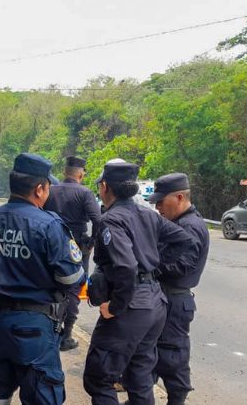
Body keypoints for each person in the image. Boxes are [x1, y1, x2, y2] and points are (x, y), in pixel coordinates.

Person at [0, 153, 85, 405]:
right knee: (43, 396)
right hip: (36, 329)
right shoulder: (49, 225)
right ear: (40, 189)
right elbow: (71, 278)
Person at [83, 162, 193, 405]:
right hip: (154, 305)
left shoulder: (111, 220)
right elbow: (183, 240)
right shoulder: (148, 215)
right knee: (139, 375)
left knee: (99, 378)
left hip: (130, 309)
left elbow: (125, 266)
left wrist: (115, 307)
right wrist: (152, 267)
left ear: (104, 187)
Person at [148, 173, 210, 405]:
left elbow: (182, 266)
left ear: (180, 197)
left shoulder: (190, 226)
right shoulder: (179, 222)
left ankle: (177, 399)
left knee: (172, 353)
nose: (158, 207)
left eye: (162, 202)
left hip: (174, 300)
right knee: (152, 350)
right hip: (165, 297)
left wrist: (150, 267)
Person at [43, 155, 102, 351]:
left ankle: (50, 329)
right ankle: (66, 334)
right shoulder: (85, 193)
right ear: (81, 174)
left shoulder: (50, 191)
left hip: (51, 242)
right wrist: (91, 243)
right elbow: (98, 220)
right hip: (76, 247)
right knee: (74, 288)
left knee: (51, 284)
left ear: (64, 172)